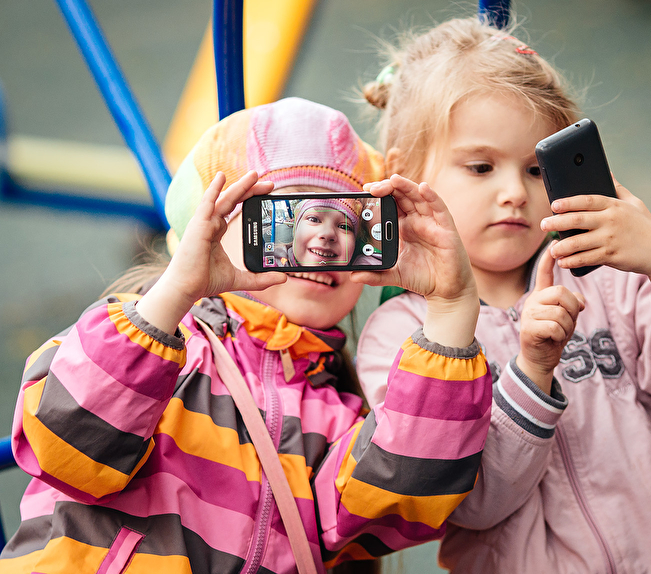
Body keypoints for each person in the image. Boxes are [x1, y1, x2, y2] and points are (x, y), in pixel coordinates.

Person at [0, 97, 494, 574]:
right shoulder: (142, 339)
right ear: (209, 231)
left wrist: (451, 311)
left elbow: (398, 507)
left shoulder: (339, 413)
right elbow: (64, 448)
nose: (323, 239)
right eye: (290, 218)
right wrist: (173, 294)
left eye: (348, 223)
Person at [355, 17, 651, 574]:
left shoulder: (600, 275)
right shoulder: (401, 338)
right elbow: (469, 501)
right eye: (481, 167)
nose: (514, 193)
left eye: (535, 169)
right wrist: (532, 372)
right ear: (404, 173)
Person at [273, 197, 362, 267]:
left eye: (344, 227)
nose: (327, 233)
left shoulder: (361, 273)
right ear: (295, 230)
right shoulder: (273, 263)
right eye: (313, 219)